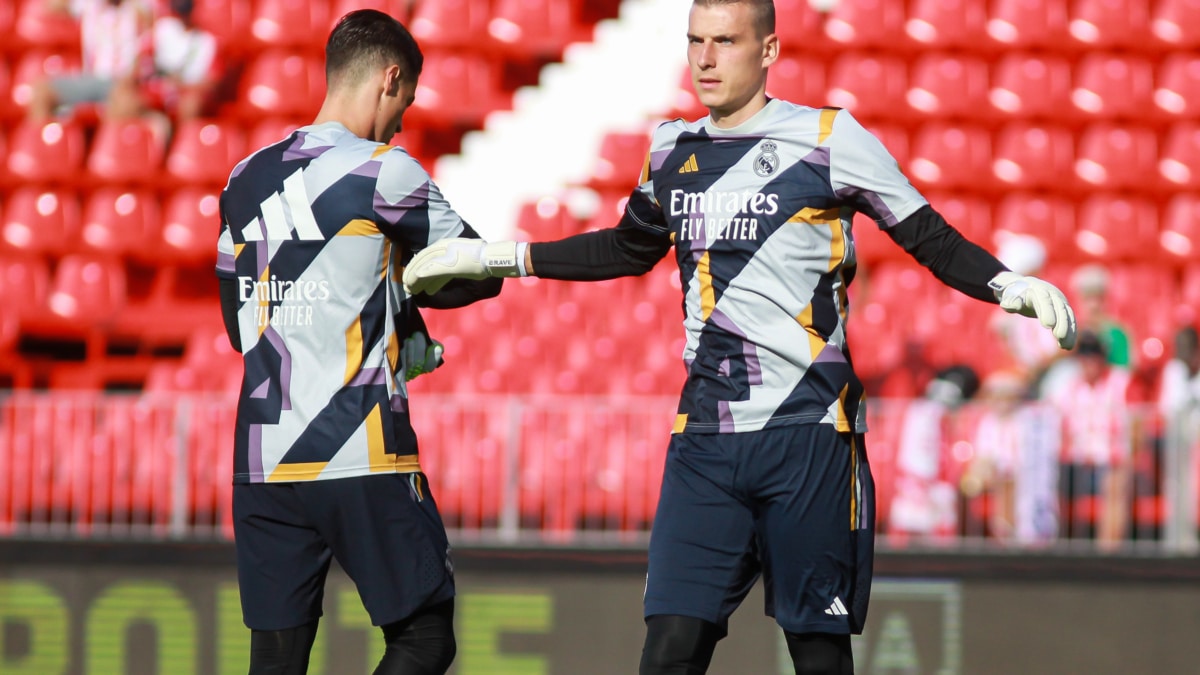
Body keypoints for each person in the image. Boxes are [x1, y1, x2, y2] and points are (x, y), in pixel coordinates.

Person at [403, 1, 1076, 672]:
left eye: (725, 41)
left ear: (770, 50)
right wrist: (498, 256)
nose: (704, 57)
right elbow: (625, 249)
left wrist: (1005, 283)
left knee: (818, 655)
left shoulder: (829, 138)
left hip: (809, 433)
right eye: (695, 40)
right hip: (705, 442)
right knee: (668, 651)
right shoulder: (670, 148)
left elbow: (925, 234)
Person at [214, 10, 501, 674]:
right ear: (388, 79)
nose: (400, 120)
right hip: (357, 444)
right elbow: (476, 273)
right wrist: (402, 284)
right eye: (404, 102)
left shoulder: (241, 180)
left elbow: (238, 327)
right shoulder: (382, 172)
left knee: (276, 660)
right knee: (425, 635)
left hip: (263, 459)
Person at [1046, 331, 1133, 549]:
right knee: (1051, 479)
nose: (1089, 361)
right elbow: (1055, 422)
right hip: (1076, 458)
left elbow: (1136, 421)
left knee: (1115, 482)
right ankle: (1062, 549)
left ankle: (1107, 553)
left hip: (1110, 457)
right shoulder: (1068, 385)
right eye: (1084, 356)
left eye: (1094, 355)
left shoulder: (1120, 382)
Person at [27, 0, 154, 120]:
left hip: (121, 81)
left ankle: (107, 142)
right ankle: (43, 141)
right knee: (41, 92)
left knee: (123, 101)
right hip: (90, 78)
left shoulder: (137, 8)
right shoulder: (89, 4)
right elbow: (52, 6)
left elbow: (150, 34)